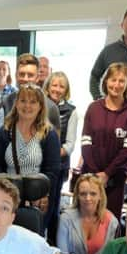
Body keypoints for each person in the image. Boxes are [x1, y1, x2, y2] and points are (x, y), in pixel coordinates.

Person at [0, 83, 61, 231]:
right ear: (16, 103)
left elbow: (53, 171)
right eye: (23, 100)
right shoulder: (4, 132)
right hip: (8, 199)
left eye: (33, 102)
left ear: (41, 106)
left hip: (36, 201)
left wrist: (43, 194)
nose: (27, 106)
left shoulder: (48, 135)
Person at [81, 62, 127, 220]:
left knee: (110, 221)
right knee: (87, 218)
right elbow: (86, 143)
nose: (117, 85)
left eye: (122, 81)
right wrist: (96, 174)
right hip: (91, 176)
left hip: (116, 178)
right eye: (113, 79)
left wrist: (107, 174)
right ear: (105, 81)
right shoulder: (93, 108)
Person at [56, 174, 119, 254]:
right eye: (83, 194)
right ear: (77, 196)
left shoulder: (112, 222)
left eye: (93, 194)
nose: (88, 198)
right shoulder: (66, 218)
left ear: (100, 195)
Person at [43, 71, 79, 242]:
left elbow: (70, 145)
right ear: (48, 86)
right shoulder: (40, 104)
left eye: (61, 86)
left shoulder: (71, 111)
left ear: (66, 90)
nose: (57, 89)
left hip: (57, 166)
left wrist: (50, 154)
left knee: (52, 207)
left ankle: (52, 242)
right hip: (36, 164)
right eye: (54, 85)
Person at [2, 54, 60, 131]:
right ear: (16, 76)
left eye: (30, 75)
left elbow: (55, 141)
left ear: (37, 78)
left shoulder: (51, 108)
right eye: (22, 74)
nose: (25, 79)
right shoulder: (7, 101)